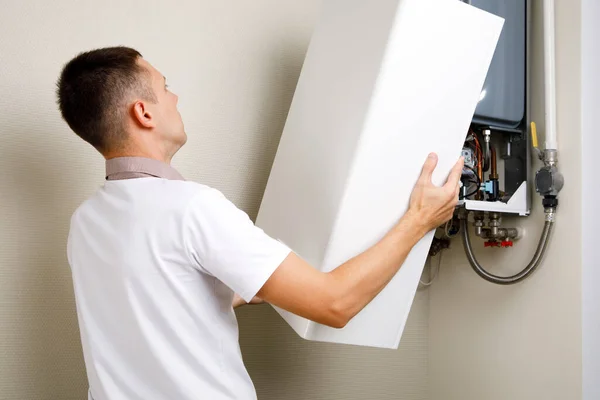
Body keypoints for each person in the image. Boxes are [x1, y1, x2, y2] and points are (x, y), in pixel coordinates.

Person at [57, 46, 463, 400]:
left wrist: (256, 281)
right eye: (165, 87)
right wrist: (420, 217)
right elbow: (335, 305)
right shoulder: (192, 208)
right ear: (143, 112)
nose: (175, 97)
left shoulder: (86, 221)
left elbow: (159, 292)